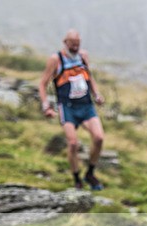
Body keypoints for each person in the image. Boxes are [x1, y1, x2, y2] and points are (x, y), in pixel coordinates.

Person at [38, 29, 105, 191]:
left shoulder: (83, 56)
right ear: (65, 42)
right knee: (73, 143)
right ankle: (77, 178)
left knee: (99, 138)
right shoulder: (56, 59)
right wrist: (46, 105)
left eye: (78, 44)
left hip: (86, 106)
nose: (75, 47)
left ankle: (90, 173)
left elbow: (90, 77)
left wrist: (96, 93)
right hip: (67, 107)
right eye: (72, 44)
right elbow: (42, 84)